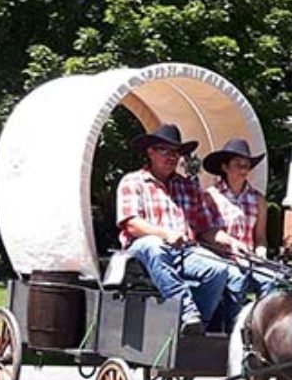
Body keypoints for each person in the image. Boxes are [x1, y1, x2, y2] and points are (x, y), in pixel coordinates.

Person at [115, 123, 236, 334]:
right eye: (165, 151)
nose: (172, 157)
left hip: (185, 251)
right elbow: (131, 223)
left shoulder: (188, 187)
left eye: (176, 153)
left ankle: (198, 324)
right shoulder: (133, 181)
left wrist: (232, 242)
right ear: (150, 152)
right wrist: (166, 234)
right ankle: (186, 311)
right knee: (154, 246)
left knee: (219, 268)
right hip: (142, 251)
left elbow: (207, 229)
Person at [200, 137, 277, 332]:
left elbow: (260, 237)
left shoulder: (258, 199)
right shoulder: (210, 196)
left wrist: (261, 254)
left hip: (249, 258)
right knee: (238, 278)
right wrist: (231, 247)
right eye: (238, 164)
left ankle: (263, 327)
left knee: (271, 279)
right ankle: (234, 332)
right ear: (225, 167)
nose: (244, 169)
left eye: (247, 165)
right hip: (221, 258)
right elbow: (205, 233)